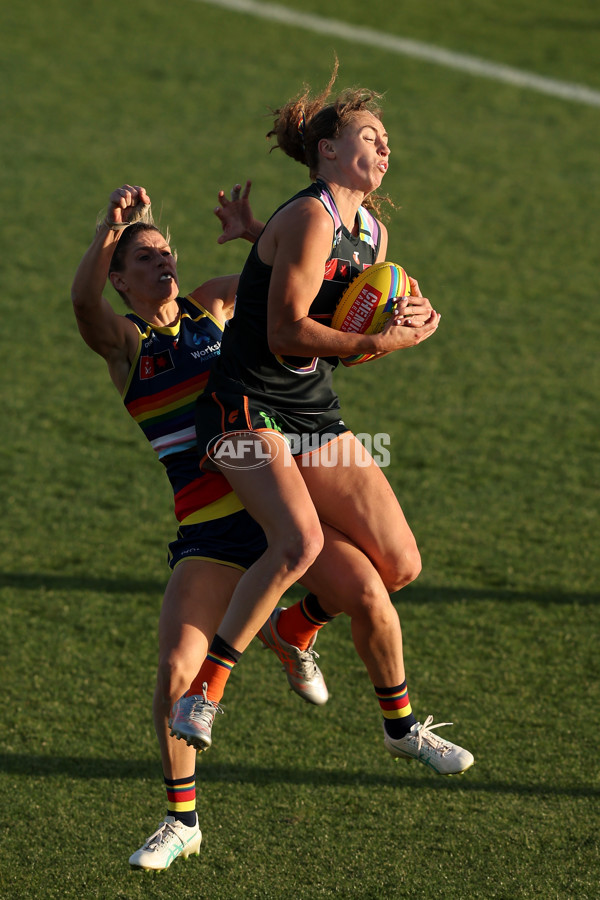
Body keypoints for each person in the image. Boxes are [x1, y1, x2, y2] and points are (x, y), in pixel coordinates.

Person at [71, 181, 448, 873]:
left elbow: (283, 286)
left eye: (166, 253)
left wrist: (256, 235)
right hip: (213, 534)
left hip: (279, 503)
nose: (164, 263)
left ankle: (376, 703)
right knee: (175, 671)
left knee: (373, 587)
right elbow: (81, 305)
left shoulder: (214, 306)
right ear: (121, 279)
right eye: (146, 258)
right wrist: (109, 226)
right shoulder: (125, 346)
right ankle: (181, 821)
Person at [175, 63, 474, 782]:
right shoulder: (311, 214)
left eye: (387, 140)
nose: (385, 148)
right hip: (246, 405)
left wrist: (410, 314)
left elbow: (334, 295)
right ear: (329, 153)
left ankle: (301, 628)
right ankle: (203, 693)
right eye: (369, 137)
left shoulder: (368, 229)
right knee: (300, 541)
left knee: (397, 567)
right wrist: (378, 342)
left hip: (311, 412)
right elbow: (282, 332)